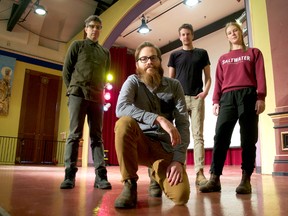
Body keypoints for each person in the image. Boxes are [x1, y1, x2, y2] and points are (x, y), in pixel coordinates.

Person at [114, 41, 190, 208]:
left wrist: (178, 160)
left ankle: (154, 173)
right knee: (124, 122)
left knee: (181, 196)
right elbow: (121, 108)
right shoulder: (133, 81)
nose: (149, 62)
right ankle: (129, 185)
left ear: (159, 61)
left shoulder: (174, 86)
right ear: (137, 64)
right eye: (144, 59)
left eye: (153, 58)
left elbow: (183, 124)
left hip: (163, 148)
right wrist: (158, 118)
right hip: (140, 143)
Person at [199, 22, 267, 194]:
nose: (233, 33)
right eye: (229, 32)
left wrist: (261, 97)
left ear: (240, 32)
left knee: (248, 139)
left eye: (235, 30)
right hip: (227, 97)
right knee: (220, 136)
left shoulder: (254, 53)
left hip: (249, 95)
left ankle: (246, 179)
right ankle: (214, 178)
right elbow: (219, 81)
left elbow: (260, 75)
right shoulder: (223, 58)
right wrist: (215, 101)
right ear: (227, 37)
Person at [60, 15, 111, 190]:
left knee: (97, 136)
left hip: (97, 97)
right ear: (86, 29)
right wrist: (73, 89)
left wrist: (100, 88)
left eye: (98, 27)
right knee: (74, 135)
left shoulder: (105, 52)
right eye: (92, 26)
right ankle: (69, 175)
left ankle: (100, 176)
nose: (95, 29)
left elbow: (106, 74)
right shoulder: (77, 46)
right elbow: (66, 71)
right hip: (77, 94)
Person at [168, 23, 211, 186]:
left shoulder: (202, 53)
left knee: (198, 135)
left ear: (193, 35)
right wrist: (172, 99)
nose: (186, 37)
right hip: (179, 100)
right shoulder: (175, 55)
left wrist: (205, 92)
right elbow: (171, 81)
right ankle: (181, 169)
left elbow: (208, 77)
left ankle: (200, 173)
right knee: (180, 136)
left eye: (188, 34)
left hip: (197, 98)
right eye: (183, 34)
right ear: (180, 37)